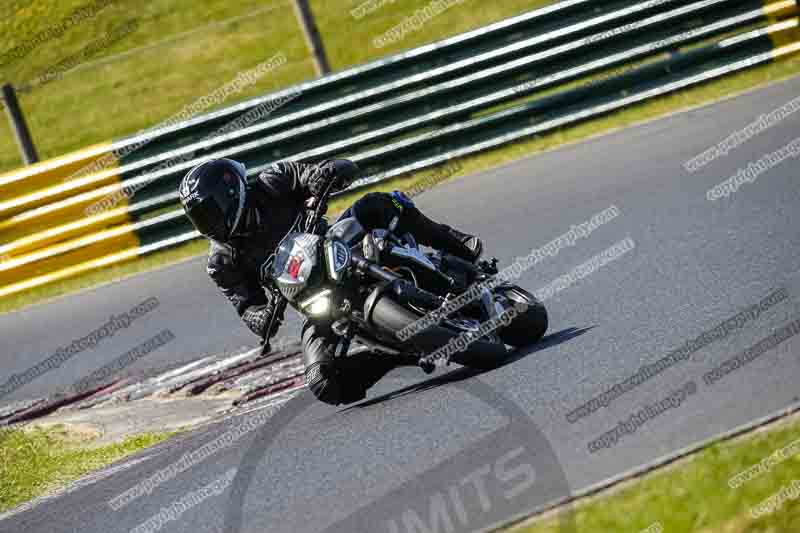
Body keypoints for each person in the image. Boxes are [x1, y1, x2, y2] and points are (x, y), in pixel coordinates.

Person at [178, 157, 482, 405]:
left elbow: (318, 172)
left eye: (210, 211)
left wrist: (325, 176)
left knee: (377, 204)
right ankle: (397, 354)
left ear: (231, 194)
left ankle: (456, 244)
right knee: (323, 382)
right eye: (199, 218)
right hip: (310, 299)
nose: (209, 223)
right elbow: (249, 311)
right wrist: (268, 311)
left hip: (337, 246)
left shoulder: (274, 181)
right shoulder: (221, 263)